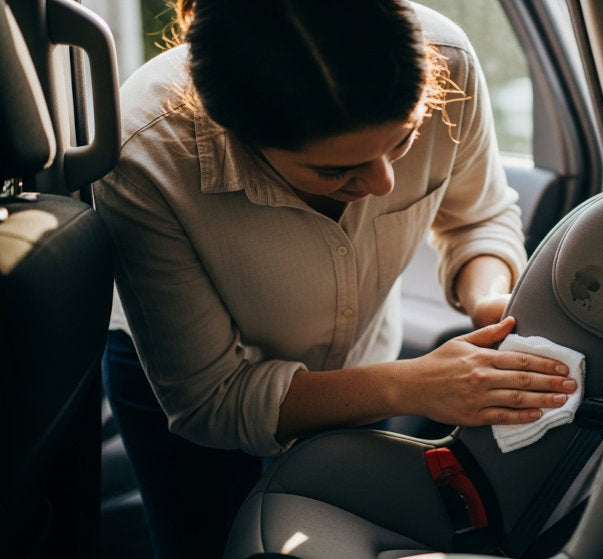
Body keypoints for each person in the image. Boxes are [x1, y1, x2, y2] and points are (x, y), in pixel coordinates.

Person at [93, 1, 577, 557]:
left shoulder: (449, 60)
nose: (382, 182)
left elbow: (477, 217)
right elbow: (212, 400)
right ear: (236, 133)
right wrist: (412, 384)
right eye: (334, 171)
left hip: (367, 361)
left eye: (404, 140)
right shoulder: (144, 151)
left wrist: (488, 296)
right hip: (189, 385)